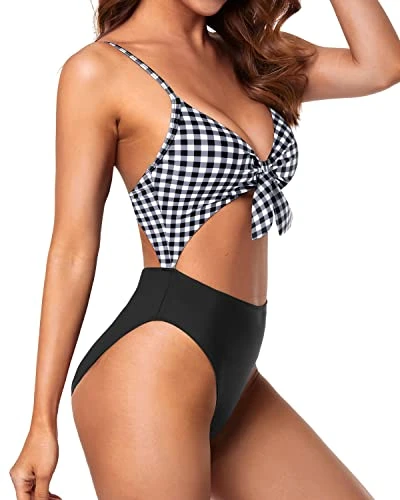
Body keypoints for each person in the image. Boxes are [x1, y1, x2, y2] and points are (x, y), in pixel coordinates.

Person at [9, 0, 400, 498]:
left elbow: (381, 65)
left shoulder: (249, 57)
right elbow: (72, 247)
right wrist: (41, 422)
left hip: (238, 374)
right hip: (151, 373)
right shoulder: (99, 70)